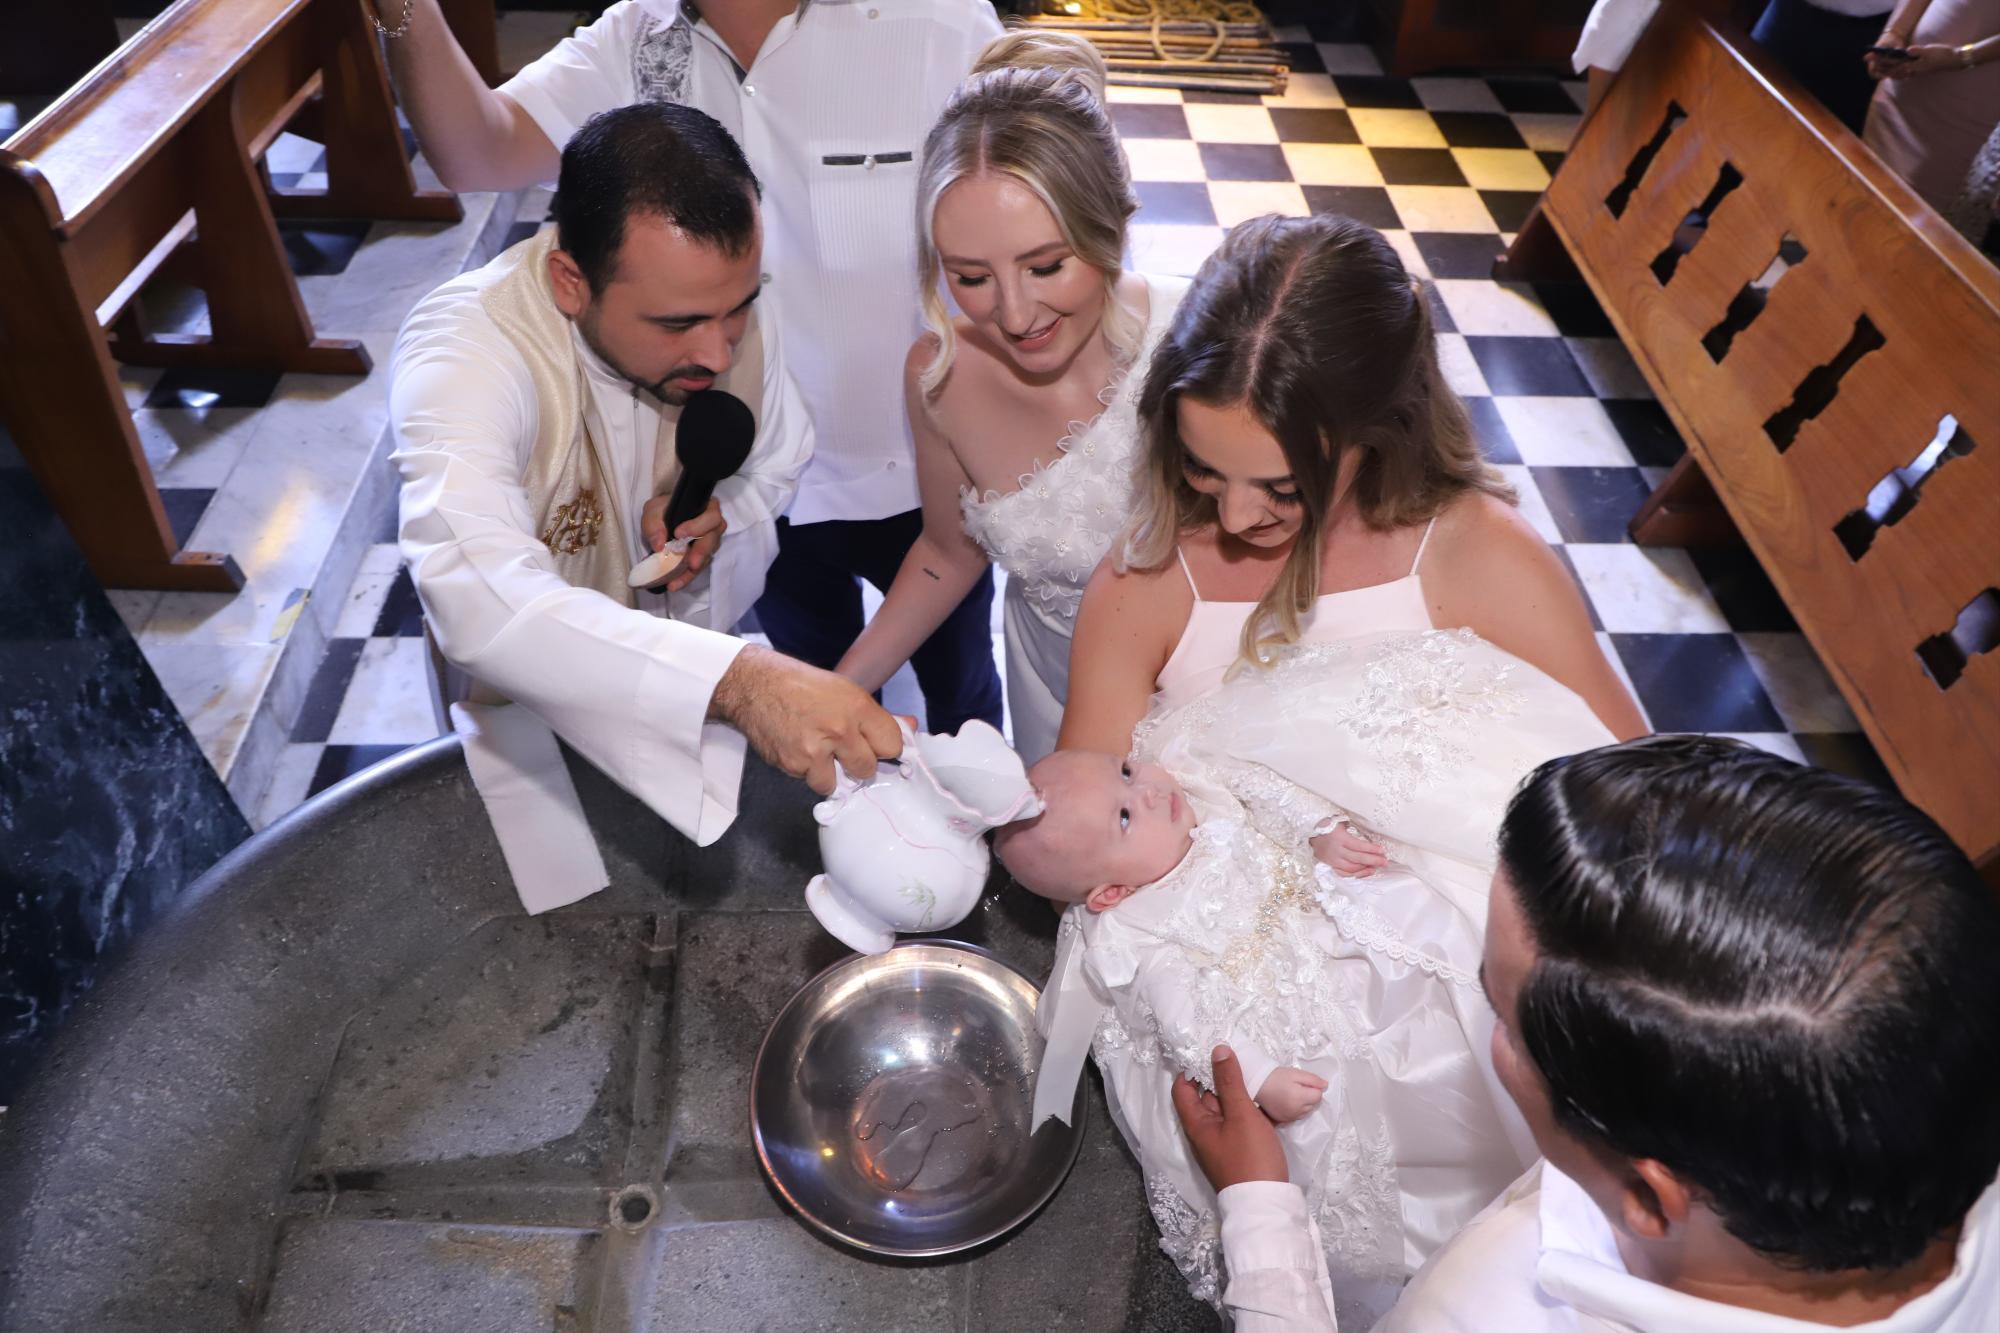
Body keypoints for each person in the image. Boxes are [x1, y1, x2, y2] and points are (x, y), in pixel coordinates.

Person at [1182, 735, 2000, 1331]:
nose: (1481, 1010)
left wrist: (1260, 1212)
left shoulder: (1478, 1311)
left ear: (1647, 1196)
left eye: (1501, 1015)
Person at [373, 0, 1007, 737]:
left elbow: (1031, 224)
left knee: (963, 690)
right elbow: (472, 153)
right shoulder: (634, 39)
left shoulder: (939, 27)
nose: (712, 342)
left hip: (924, 471)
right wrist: (400, 11)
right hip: (754, 472)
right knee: (817, 700)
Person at [1014, 621, 1617, 1323]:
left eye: (1125, 772)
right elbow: (1189, 1020)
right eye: (1124, 816)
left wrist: (1318, 833)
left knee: (1438, 951)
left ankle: (1546, 1061)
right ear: (1109, 893)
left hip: (1330, 915)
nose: (1147, 790)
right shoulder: (1142, 933)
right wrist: (1261, 1072)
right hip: (1285, 996)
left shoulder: (1191, 794)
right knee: (1382, 1082)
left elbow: (1266, 799)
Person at [392, 103, 899, 912]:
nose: (718, 351)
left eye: (738, 306)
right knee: (558, 919)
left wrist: (723, 520)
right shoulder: (467, 351)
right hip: (526, 722)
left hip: (683, 683)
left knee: (692, 903)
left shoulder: (725, 319)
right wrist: (739, 680)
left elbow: (776, 464)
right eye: (678, 323)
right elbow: (476, 592)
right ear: (570, 281)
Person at [1059, 211, 1644, 769]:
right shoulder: (1144, 581)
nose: (1235, 518)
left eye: (1284, 488)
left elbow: (1633, 788)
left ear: (1382, 433)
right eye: (1201, 466)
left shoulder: (1479, 551)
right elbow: (1080, 829)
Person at [832, 32, 1190, 763]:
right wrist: (838, 689)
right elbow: (944, 552)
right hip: (1054, 695)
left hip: (1208, 690)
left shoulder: (1200, 338)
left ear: (1112, 226)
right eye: (970, 277)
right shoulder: (939, 378)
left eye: (1046, 265)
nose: (1016, 313)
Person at [1864, 0, 2000, 222]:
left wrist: (1960, 57)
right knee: (1860, 184)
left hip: (1969, 99)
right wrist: (1896, 32)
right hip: (1904, 83)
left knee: (1911, 219)